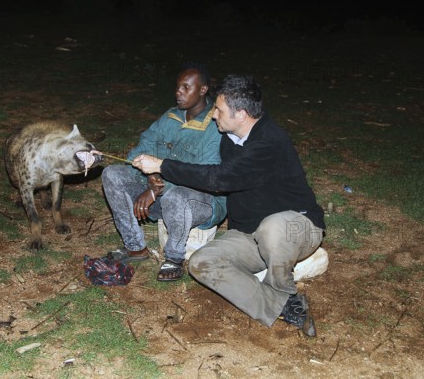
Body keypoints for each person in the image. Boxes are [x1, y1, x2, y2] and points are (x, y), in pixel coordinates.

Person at [132, 74, 325, 337]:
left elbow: (220, 178)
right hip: (249, 235)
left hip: (297, 228)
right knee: (202, 262)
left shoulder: (270, 143)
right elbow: (204, 168)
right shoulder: (230, 137)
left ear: (241, 114)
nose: (213, 115)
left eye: (219, 110)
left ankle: (283, 291)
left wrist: (162, 165)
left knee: (273, 227)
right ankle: (284, 306)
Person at [101, 62, 227, 282]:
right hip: (161, 194)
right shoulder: (172, 116)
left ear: (203, 90)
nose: (178, 91)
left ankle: (174, 257)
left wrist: (158, 189)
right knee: (112, 174)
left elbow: (203, 177)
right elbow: (139, 150)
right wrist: (152, 178)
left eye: (186, 87)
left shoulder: (214, 126)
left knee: (177, 196)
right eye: (178, 86)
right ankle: (135, 247)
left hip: (202, 201)